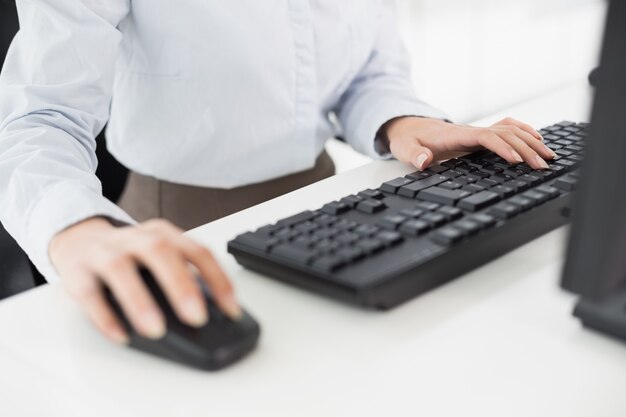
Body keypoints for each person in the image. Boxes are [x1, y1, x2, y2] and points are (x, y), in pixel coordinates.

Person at [0, 0, 556, 344]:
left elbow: (366, 71)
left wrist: (402, 120)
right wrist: (76, 231)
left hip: (321, 194)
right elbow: (39, 112)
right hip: (182, 217)